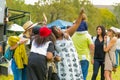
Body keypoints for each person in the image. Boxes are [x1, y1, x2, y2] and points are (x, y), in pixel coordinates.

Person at [50, 9, 84, 80]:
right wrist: (55, 58)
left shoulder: (67, 33)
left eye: (58, 28)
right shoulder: (53, 40)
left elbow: (76, 24)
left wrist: (80, 14)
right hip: (63, 64)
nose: (59, 29)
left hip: (73, 61)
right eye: (56, 30)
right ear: (54, 34)